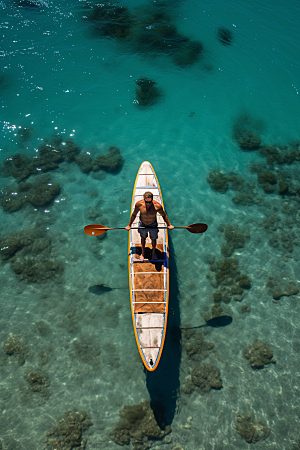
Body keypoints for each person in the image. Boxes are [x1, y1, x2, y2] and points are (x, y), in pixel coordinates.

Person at [125, 191, 174, 261]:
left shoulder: (157, 206)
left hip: (153, 224)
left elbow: (164, 215)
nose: (148, 204)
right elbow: (134, 215)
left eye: (149, 202)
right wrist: (129, 225)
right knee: (143, 238)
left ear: (152, 199)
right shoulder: (139, 204)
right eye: (146, 202)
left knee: (153, 239)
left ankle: (153, 251)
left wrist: (169, 224)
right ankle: (143, 252)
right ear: (144, 199)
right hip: (142, 224)